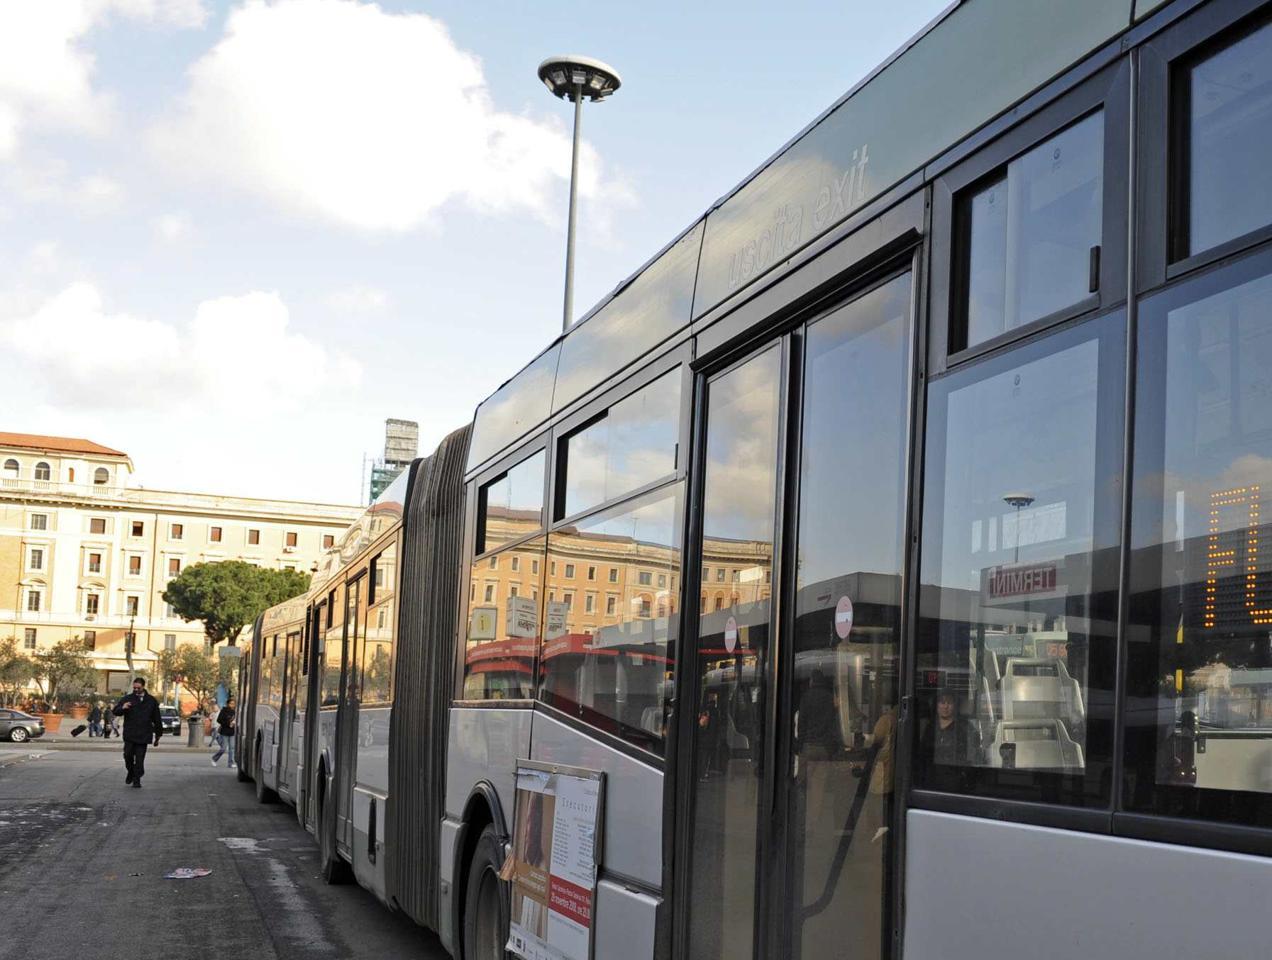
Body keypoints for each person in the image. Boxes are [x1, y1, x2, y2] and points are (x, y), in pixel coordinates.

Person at [113, 677, 163, 788]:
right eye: (134, 687)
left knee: (140, 760)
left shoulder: (151, 701)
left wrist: (158, 735)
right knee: (127, 756)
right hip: (130, 734)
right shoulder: (127, 698)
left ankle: (137, 780)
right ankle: (131, 771)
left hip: (144, 735)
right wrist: (123, 707)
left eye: (138, 688)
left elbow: (157, 718)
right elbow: (115, 711)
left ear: (143, 687)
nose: (135, 690)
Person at [211, 698, 237, 769]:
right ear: (228, 704)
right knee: (223, 748)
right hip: (224, 732)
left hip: (232, 732)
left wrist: (234, 724)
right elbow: (219, 720)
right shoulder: (223, 711)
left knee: (232, 748)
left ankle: (230, 763)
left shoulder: (235, 711)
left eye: (233, 704)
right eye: (231, 703)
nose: (233, 705)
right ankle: (214, 759)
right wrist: (228, 723)